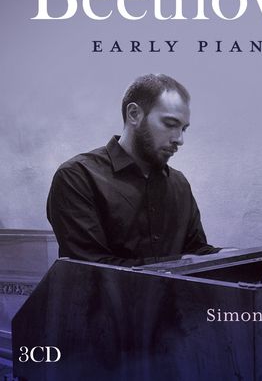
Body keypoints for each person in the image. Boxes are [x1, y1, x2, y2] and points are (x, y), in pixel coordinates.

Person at [47, 73, 220, 266]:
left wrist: (230, 256)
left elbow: (195, 250)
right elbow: (92, 268)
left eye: (183, 129)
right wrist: (178, 263)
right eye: (170, 124)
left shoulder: (179, 183)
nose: (179, 139)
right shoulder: (77, 176)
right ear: (134, 114)